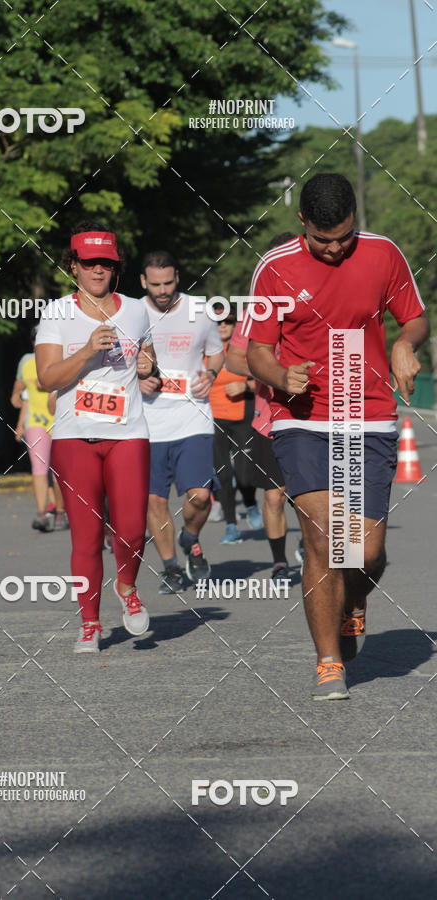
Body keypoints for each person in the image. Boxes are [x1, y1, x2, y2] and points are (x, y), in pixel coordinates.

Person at [245, 173, 429, 700]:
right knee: (324, 539)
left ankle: (353, 599)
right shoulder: (275, 268)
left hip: (366, 414)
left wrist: (403, 343)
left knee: (366, 553)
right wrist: (281, 376)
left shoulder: (382, 255)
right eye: (323, 239)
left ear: (356, 222)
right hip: (302, 418)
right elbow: (257, 348)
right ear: (301, 222)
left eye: (344, 237)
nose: (334, 249)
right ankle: (329, 661)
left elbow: (414, 319)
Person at [35, 221, 157, 652]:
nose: (98, 271)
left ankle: (127, 587)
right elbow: (48, 378)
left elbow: (148, 359)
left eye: (106, 262)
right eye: (89, 263)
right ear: (74, 266)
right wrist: (87, 350)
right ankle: (90, 623)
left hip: (128, 433)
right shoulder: (56, 314)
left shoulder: (137, 310)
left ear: (116, 266)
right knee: (85, 536)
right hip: (73, 436)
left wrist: (148, 370)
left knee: (132, 529)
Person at [138, 251, 224, 594]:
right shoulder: (130, 313)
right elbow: (117, 361)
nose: (162, 290)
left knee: (201, 496)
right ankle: (171, 567)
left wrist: (212, 373)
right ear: (143, 281)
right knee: (154, 500)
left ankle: (191, 537)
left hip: (194, 416)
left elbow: (216, 350)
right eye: (155, 284)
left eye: (169, 283)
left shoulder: (200, 311)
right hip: (146, 421)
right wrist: (136, 378)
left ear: (178, 279)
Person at [226, 233, 298, 583]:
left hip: (317, 419)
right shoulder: (259, 309)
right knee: (274, 498)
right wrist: (272, 371)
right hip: (270, 420)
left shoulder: (317, 303)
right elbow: (235, 359)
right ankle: (281, 561)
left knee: (315, 501)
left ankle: (321, 552)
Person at [208, 305, 261, 544]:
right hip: (213, 421)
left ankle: (250, 503)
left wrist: (245, 386)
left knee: (244, 474)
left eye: (227, 322)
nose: (222, 327)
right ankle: (231, 525)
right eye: (217, 322)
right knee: (223, 475)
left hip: (242, 418)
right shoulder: (204, 351)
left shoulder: (244, 351)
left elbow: (264, 379)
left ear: (235, 325)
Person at [11, 326, 68, 532]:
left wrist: (48, 381)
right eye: (36, 340)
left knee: (58, 471)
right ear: (33, 342)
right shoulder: (25, 361)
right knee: (39, 468)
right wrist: (16, 396)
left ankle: (61, 512)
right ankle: (42, 513)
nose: (39, 343)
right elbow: (18, 388)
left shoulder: (60, 356)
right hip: (35, 421)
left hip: (59, 420)